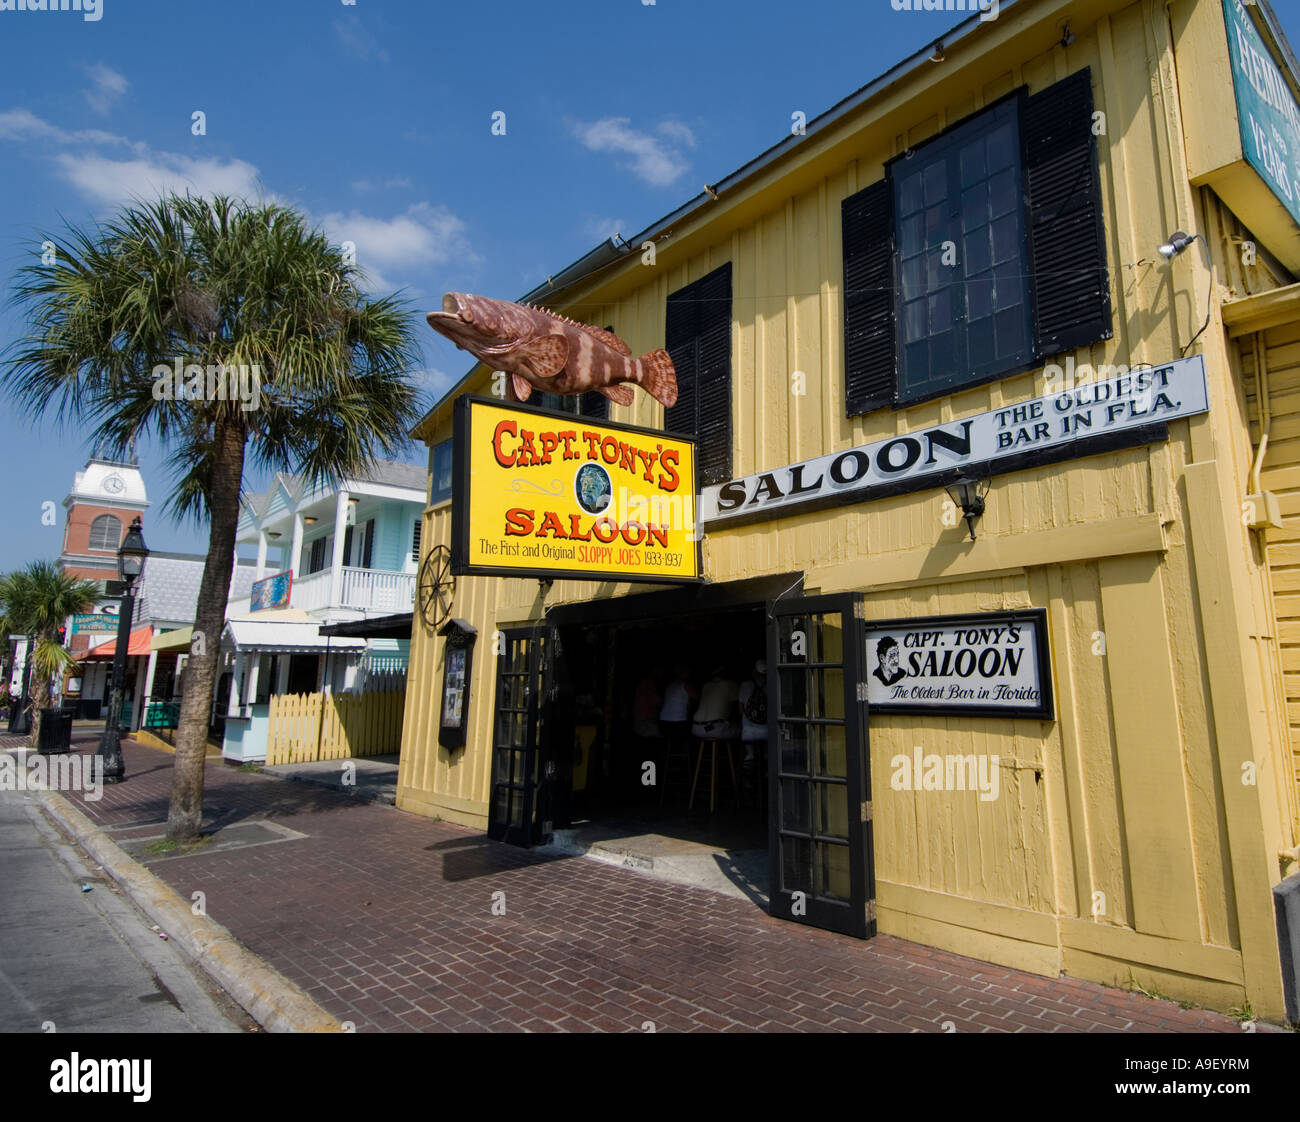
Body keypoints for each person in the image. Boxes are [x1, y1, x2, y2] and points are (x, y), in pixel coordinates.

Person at [691, 664, 739, 741]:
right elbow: (736, 707)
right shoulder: (731, 684)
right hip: (715, 728)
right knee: (743, 730)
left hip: (696, 728)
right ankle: (749, 752)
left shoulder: (706, 685)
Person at [737, 660, 767, 761]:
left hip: (749, 733)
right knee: (767, 747)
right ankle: (766, 763)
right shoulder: (773, 684)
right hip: (768, 732)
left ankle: (749, 757)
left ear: (754, 671)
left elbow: (741, 710)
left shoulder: (745, 685)